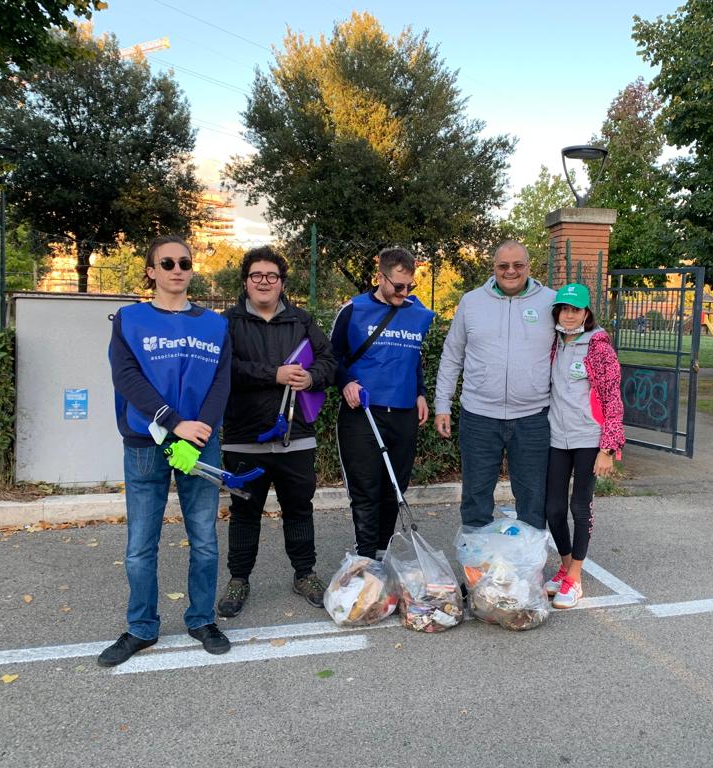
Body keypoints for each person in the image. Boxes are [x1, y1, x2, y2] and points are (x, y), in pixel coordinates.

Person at [100, 234, 232, 667]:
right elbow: (126, 377)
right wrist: (173, 421)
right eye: (168, 263)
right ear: (151, 271)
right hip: (147, 442)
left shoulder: (214, 324)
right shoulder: (130, 319)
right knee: (141, 543)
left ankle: (201, 620)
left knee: (205, 540)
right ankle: (141, 627)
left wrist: (201, 427)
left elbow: (220, 382)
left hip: (200, 441)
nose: (178, 270)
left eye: (185, 263)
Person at [217, 245, 336, 619]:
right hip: (243, 437)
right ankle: (238, 579)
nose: (264, 282)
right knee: (244, 512)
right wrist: (274, 374)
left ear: (282, 282)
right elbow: (224, 369)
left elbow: (331, 362)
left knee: (298, 509)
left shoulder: (301, 320)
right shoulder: (227, 323)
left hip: (295, 436)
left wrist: (311, 376)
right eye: (257, 276)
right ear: (246, 282)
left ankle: (305, 574)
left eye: (272, 276)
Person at [434, 240, 556, 530]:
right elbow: (452, 355)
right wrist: (442, 405)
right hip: (479, 416)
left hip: (533, 417)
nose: (510, 271)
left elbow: (576, 345)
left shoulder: (551, 302)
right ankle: (476, 571)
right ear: (494, 268)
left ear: (529, 266)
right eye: (503, 265)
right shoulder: (472, 302)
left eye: (518, 265)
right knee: (476, 498)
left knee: (533, 499)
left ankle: (528, 569)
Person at [330, 247, 435, 559]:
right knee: (365, 491)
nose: (404, 293)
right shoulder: (353, 310)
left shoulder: (418, 313)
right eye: (398, 286)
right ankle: (364, 560)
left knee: (394, 488)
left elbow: (414, 357)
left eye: (409, 286)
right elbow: (330, 356)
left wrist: (420, 392)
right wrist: (345, 381)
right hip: (362, 413)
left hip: (403, 413)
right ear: (380, 277)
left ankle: (382, 553)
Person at [542, 283, 625, 609]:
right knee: (553, 509)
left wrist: (608, 448)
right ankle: (566, 567)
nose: (569, 314)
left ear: (587, 313)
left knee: (580, 507)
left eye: (575, 309)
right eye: (564, 309)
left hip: (589, 439)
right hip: (556, 437)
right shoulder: (555, 343)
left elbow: (613, 399)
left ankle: (575, 579)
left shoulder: (599, 348)